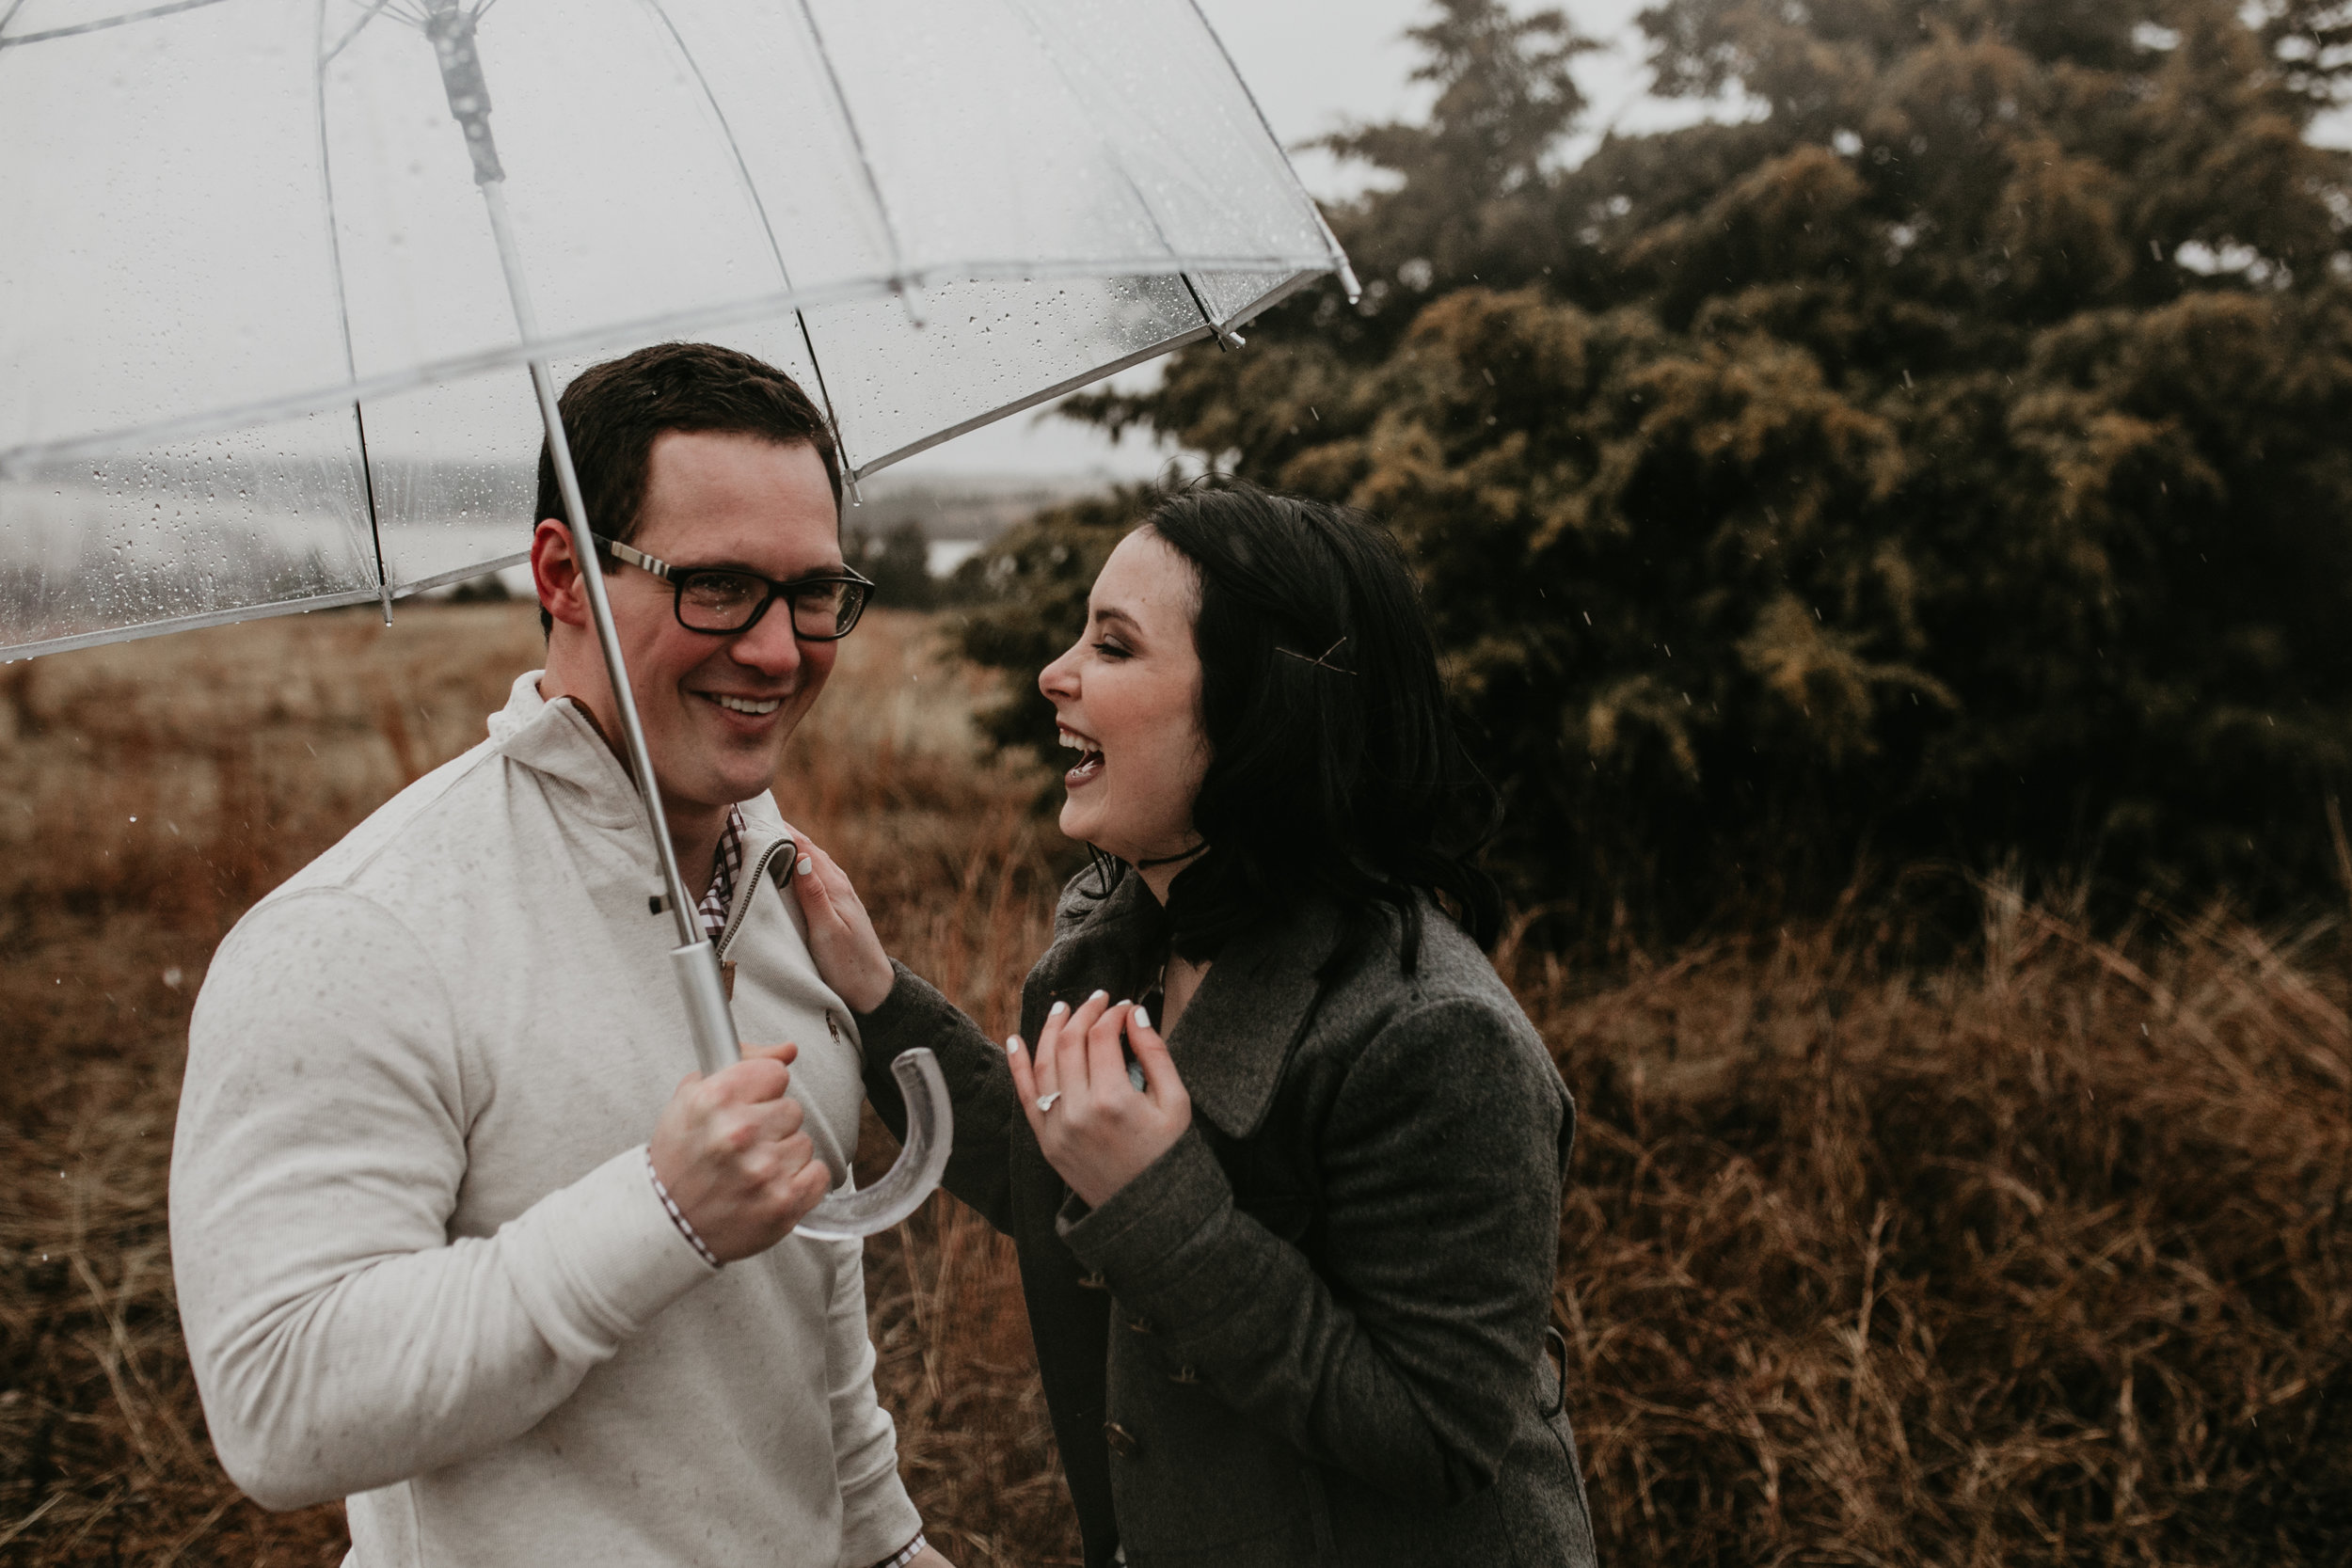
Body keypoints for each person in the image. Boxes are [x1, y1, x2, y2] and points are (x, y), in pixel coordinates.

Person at [170, 343, 950, 1568]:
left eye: (812, 591)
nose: (779, 650)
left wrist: (892, 1544)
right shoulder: (360, 932)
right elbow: (278, 1404)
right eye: (719, 586)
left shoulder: (788, 891)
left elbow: (806, 1345)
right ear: (562, 570)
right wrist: (659, 1211)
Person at [786, 480, 1598, 1568]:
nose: (1054, 672)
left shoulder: (1436, 1038)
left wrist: (1165, 1206)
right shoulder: (1122, 940)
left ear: (1259, 709)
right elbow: (1057, 1163)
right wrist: (879, 997)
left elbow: (1439, 1435)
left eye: (1114, 647)